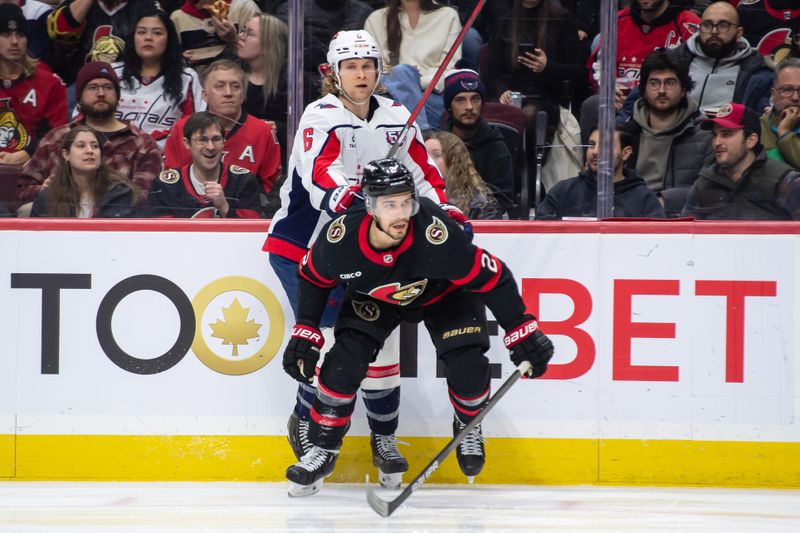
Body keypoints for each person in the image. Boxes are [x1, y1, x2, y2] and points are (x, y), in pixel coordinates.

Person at [282, 158, 555, 496]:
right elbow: (312, 277)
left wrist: (521, 329)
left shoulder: (435, 233)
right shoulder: (341, 239)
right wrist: (305, 329)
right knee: (341, 365)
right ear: (369, 206)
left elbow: (494, 276)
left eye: (406, 202)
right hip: (376, 298)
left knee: (469, 368)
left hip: (443, 294)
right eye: (389, 204)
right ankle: (324, 448)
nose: (400, 214)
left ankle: (468, 422)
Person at [263, 30, 458, 491]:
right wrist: (356, 195)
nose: (361, 73)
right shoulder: (320, 115)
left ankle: (382, 440)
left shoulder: (395, 116)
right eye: (350, 66)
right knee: (333, 341)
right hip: (306, 250)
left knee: (378, 343)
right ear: (333, 73)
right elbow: (319, 175)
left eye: (368, 64)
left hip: (369, 252)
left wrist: (443, 210)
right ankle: (310, 426)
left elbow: (421, 173)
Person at [17, 61, 162, 207]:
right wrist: (45, 191)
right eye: (92, 87)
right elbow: (22, 190)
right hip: (60, 220)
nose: (100, 93)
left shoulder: (142, 143)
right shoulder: (57, 137)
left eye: (108, 87)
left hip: (117, 220)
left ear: (118, 95)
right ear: (79, 95)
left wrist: (96, 195)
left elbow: (145, 196)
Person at [163, 59, 282, 212]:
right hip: (189, 217)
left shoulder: (263, 132)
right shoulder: (182, 129)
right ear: (205, 95)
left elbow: (270, 191)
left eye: (235, 87)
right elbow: (170, 182)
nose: (228, 93)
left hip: (243, 216)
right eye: (220, 86)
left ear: (243, 95)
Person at [484, 0, 587, 159]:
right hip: (509, 95)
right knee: (494, 113)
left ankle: (527, 174)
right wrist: (502, 91)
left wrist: (547, 67)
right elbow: (493, 73)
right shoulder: (505, 20)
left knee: (528, 114)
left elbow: (579, 72)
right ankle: (504, 170)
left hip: (546, 96)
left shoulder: (561, 19)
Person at [623, 48, 712, 217]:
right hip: (628, 215)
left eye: (670, 82)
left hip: (679, 219)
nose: (662, 90)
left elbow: (709, 190)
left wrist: (665, 200)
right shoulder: (625, 132)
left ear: (683, 88)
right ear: (644, 89)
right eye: (654, 83)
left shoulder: (704, 134)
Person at [683, 102, 800, 219]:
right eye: (715, 135)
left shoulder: (782, 180)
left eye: (726, 134)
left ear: (751, 140)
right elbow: (686, 233)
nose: (717, 142)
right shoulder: (704, 184)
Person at [112, 8, 205, 148]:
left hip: (166, 157)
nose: (148, 37)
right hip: (112, 153)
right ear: (133, 37)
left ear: (169, 39)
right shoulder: (111, 73)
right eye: (142, 32)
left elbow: (195, 124)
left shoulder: (187, 78)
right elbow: (87, 115)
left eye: (157, 33)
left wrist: (148, 140)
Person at [365, 0, 462, 132]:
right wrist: (404, 78)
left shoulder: (448, 16)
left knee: (403, 72)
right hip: (390, 96)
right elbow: (373, 69)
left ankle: (419, 136)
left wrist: (413, 80)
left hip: (432, 96)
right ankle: (423, 135)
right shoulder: (376, 19)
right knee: (400, 73)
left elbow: (450, 68)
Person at [536, 125, 665, 219]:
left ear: (626, 153)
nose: (596, 152)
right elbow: (539, 235)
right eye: (592, 145)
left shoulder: (644, 198)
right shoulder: (563, 191)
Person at [147, 111, 261, 218]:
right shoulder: (166, 185)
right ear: (187, 143)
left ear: (224, 143)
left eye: (216, 139)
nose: (210, 147)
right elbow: (160, 233)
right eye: (202, 140)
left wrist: (225, 208)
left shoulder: (243, 180)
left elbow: (254, 231)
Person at [440, 69, 513, 216]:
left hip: (485, 224)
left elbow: (503, 199)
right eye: (460, 100)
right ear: (449, 106)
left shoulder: (496, 146)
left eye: (475, 99)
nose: (469, 107)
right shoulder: (438, 146)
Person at [0, 3, 66, 166]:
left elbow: (56, 134)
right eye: (6, 34)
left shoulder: (50, 83)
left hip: (33, 170)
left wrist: (28, 153)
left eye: (20, 34)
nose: (14, 41)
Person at [30, 124, 143, 217]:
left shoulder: (121, 193)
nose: (90, 151)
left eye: (95, 146)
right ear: (66, 155)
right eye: (81, 146)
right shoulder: (47, 197)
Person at [272, 0, 372, 102]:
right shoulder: (294, 9)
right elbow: (281, 51)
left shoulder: (362, 12)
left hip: (349, 76)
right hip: (304, 80)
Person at [46, 0, 161, 85]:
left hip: (130, 81)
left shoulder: (148, 6)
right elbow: (59, 33)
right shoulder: (79, 3)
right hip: (80, 81)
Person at [236, 13, 288, 155]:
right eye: (242, 30)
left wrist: (279, 128)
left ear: (267, 45)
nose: (240, 36)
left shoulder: (290, 82)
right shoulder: (232, 74)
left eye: (250, 34)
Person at [425, 131, 501, 219]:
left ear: (454, 161)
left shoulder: (481, 203)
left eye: (436, 155)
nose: (428, 160)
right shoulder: (412, 193)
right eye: (425, 155)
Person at [170, 0, 260, 69]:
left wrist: (233, 40)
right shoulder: (178, 17)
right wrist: (181, 61)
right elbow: (170, 64)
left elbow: (262, 58)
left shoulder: (245, 7)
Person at [760, 58, 800, 169]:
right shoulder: (759, 127)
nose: (795, 97)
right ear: (773, 94)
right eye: (787, 89)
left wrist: (784, 133)